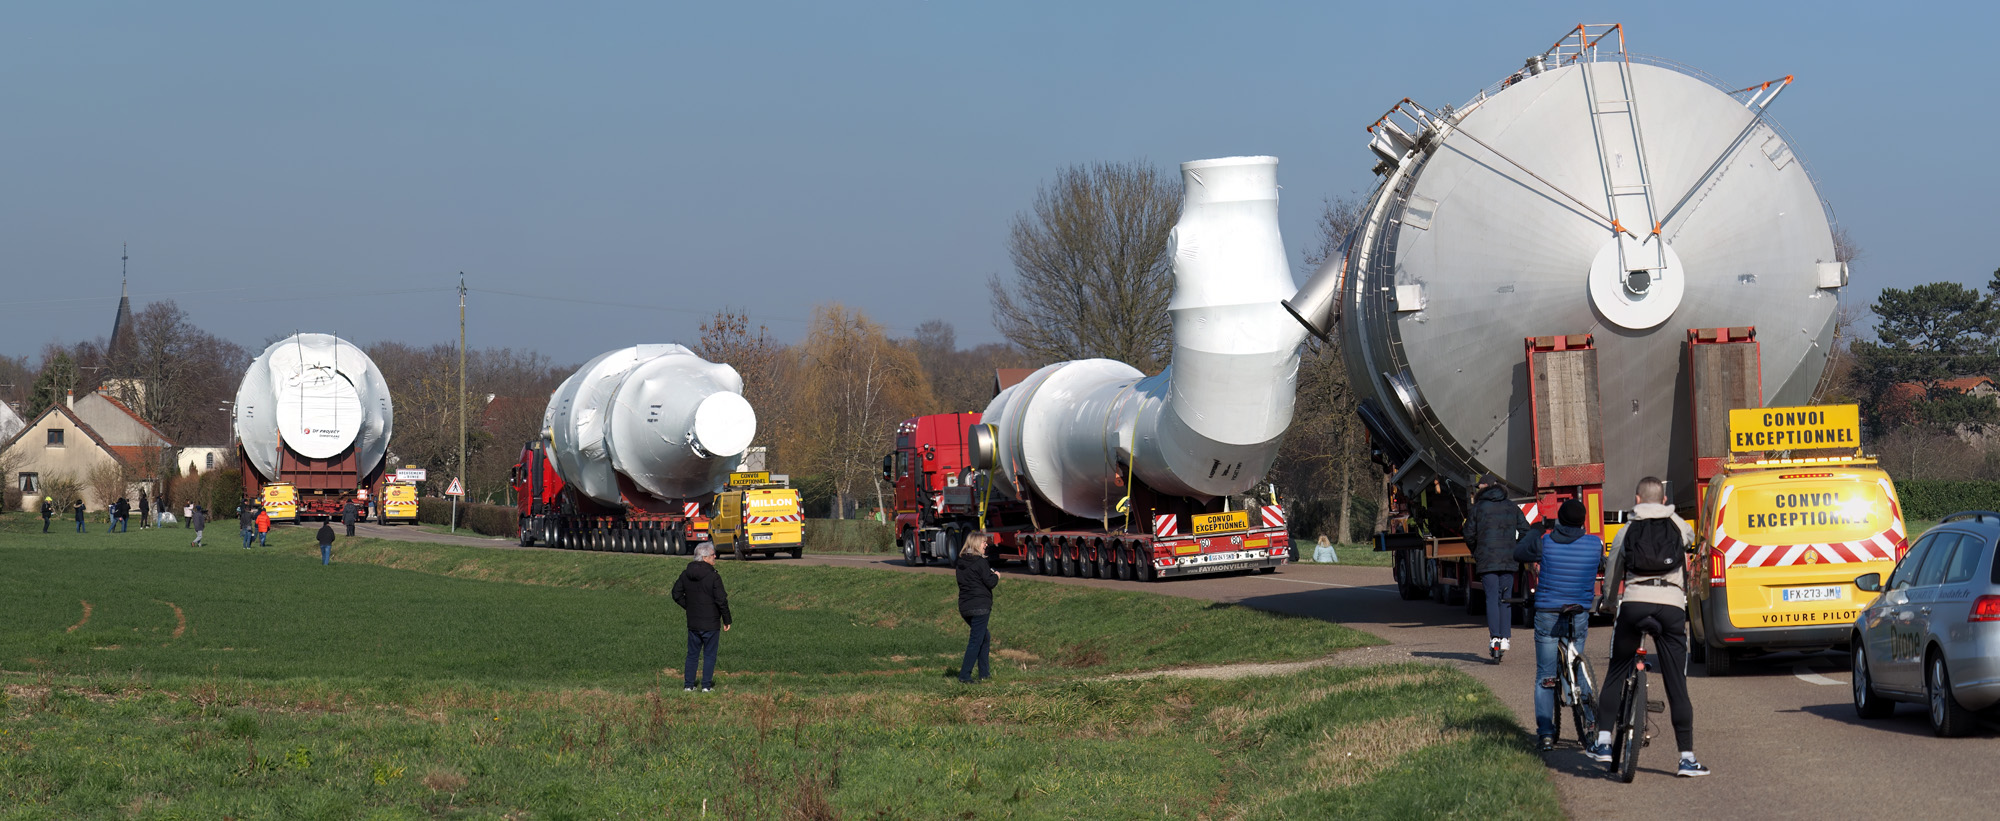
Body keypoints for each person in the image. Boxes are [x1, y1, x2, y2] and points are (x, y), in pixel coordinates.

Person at [1590, 476, 1708, 777]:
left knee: (1617, 669)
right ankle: (1686, 758)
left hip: (1634, 603)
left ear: (1637, 500)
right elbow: (1690, 539)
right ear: (1665, 499)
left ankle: (1603, 742)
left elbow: (1615, 566)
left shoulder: (1627, 529)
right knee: (1676, 685)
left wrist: (1609, 602)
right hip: (1670, 607)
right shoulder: (1678, 525)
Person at [1514, 498, 1604, 752]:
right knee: (1578, 664)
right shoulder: (1594, 544)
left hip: (1548, 613)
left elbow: (1519, 553)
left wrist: (1537, 529)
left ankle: (1545, 733)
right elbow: (1602, 565)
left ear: (1560, 520)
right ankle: (1590, 723)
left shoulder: (1546, 542)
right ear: (1583, 522)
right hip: (1579, 613)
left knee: (1545, 676)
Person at [1465, 473, 1527, 662]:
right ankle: (1505, 637)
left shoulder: (1478, 508)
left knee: (1491, 598)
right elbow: (1526, 530)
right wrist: (1515, 548)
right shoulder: (1511, 506)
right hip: (1508, 560)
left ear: (1487, 488)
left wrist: (1477, 550)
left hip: (1487, 561)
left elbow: (1468, 533)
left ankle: (1495, 639)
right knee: (1505, 599)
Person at [670, 543, 732, 692]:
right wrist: (727, 619)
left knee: (692, 655)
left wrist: (689, 606)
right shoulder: (713, 576)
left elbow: (676, 594)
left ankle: (688, 686)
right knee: (709, 655)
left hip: (693, 622)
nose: (715, 557)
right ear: (704, 558)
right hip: (711, 623)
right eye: (712, 555)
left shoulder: (686, 574)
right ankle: (706, 686)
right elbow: (721, 599)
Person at [955, 531, 999, 684]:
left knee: (984, 637)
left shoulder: (960, 563)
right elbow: (990, 582)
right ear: (975, 544)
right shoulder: (980, 562)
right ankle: (965, 676)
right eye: (983, 542)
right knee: (976, 640)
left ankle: (984, 673)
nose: (986, 544)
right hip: (980, 607)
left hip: (965, 607)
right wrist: (997, 575)